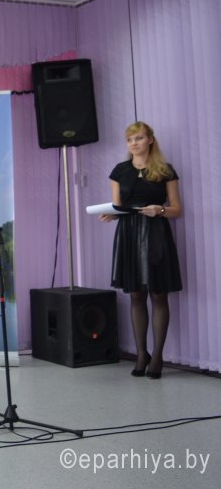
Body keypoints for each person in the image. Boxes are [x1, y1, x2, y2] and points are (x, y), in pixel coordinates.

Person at [99, 121, 182, 380]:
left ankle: (157, 357)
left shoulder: (165, 170)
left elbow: (177, 209)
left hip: (156, 233)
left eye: (139, 138)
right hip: (129, 234)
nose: (133, 143)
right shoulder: (120, 171)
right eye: (130, 139)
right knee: (136, 295)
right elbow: (118, 206)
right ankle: (141, 354)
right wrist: (111, 214)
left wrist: (160, 210)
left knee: (158, 295)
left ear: (150, 140)